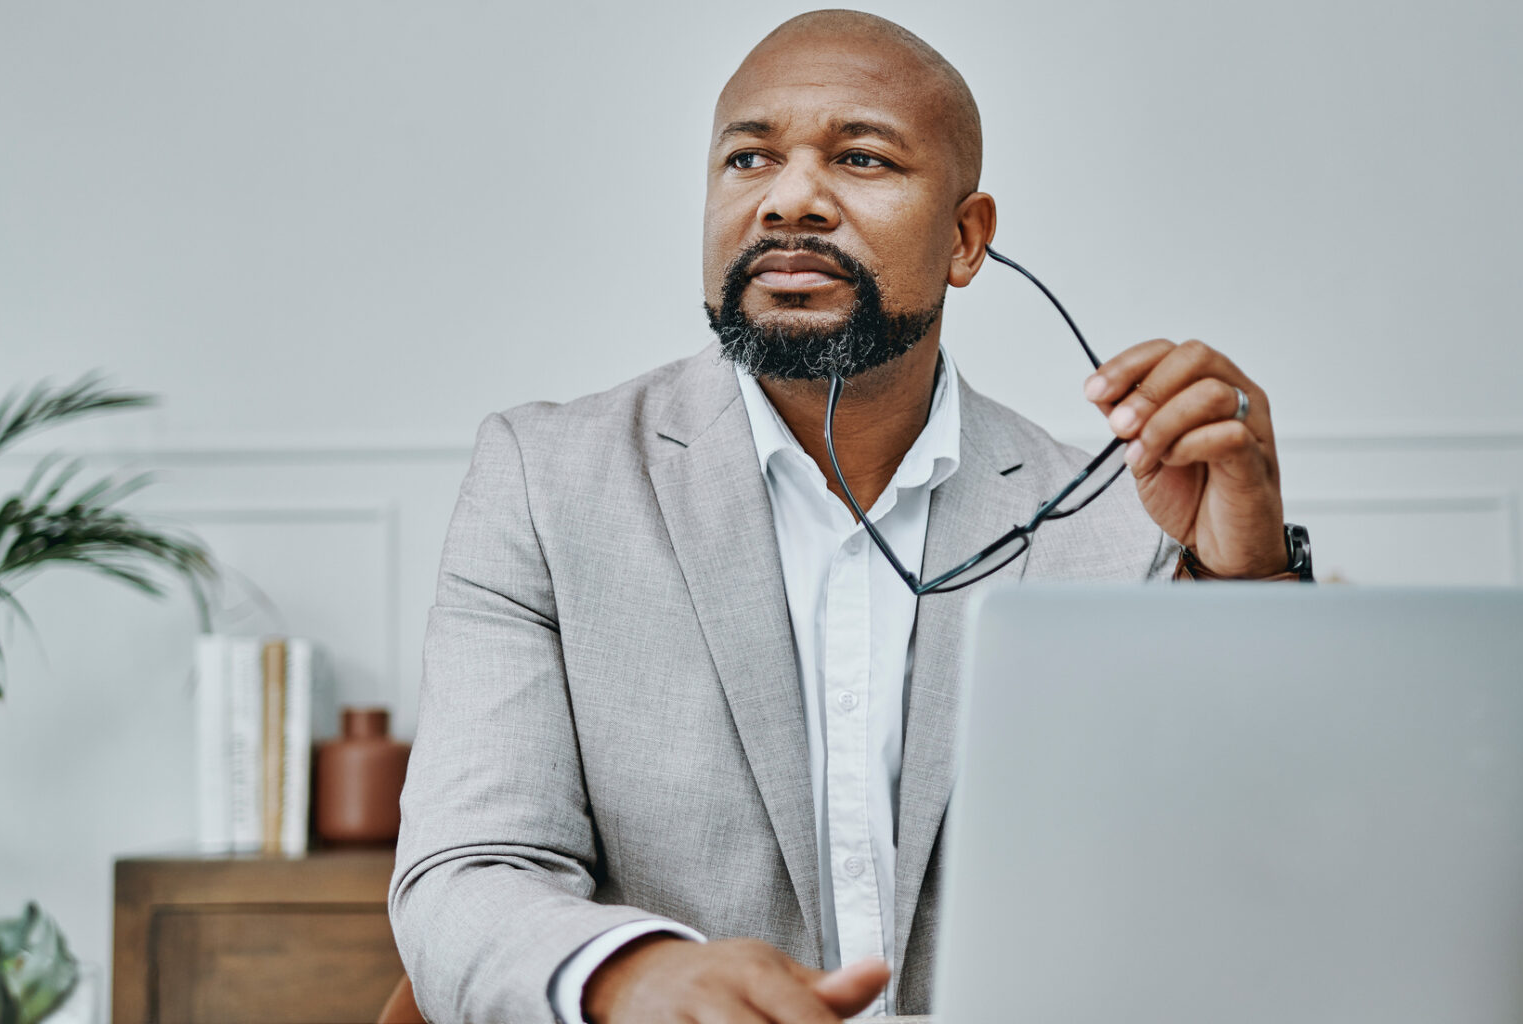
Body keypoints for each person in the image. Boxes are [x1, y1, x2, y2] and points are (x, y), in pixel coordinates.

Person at [389, 9, 1308, 1024]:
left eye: (860, 157)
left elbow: (1258, 887)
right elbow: (465, 873)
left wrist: (1246, 578)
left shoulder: (1118, 514)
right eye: (749, 158)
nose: (789, 200)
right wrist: (632, 974)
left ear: (967, 240)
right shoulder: (545, 479)